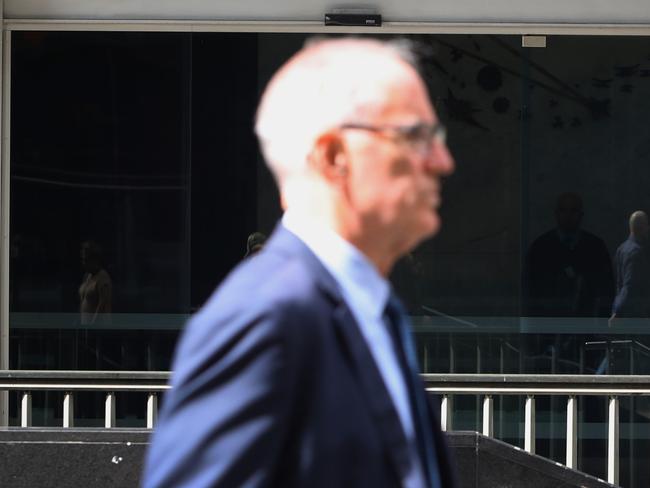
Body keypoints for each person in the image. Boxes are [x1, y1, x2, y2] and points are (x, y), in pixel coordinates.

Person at [144, 37, 457, 488]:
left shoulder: (376, 309)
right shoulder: (265, 316)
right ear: (333, 157)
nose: (442, 161)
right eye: (416, 137)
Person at [524, 192, 614, 318]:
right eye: (563, 210)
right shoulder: (541, 247)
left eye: (573, 211)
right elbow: (531, 290)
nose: (568, 215)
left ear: (581, 215)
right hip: (548, 323)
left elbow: (606, 289)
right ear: (556, 213)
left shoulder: (595, 247)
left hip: (586, 322)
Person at [610, 210, 650, 323]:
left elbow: (619, 284)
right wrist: (618, 312)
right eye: (646, 225)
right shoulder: (636, 253)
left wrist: (615, 309)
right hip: (634, 314)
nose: (648, 229)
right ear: (641, 227)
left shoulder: (621, 249)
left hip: (624, 310)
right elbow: (629, 285)